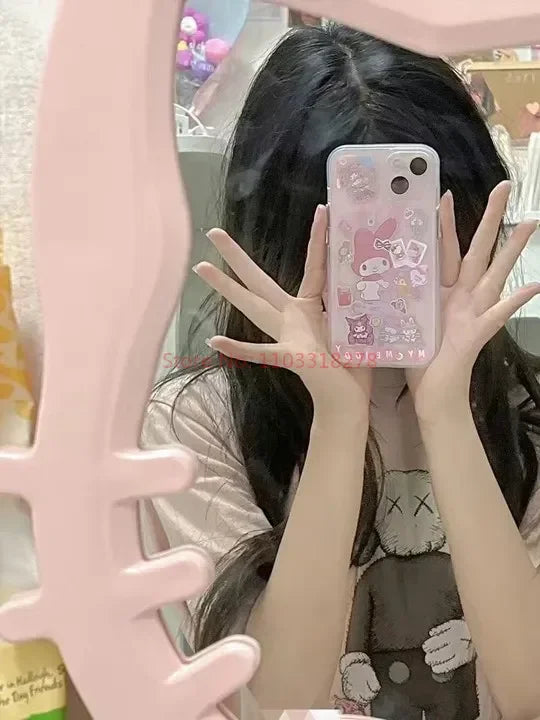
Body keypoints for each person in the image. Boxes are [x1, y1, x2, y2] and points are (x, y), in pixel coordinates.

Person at [142, 24, 540, 720]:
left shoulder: (524, 411)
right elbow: (275, 701)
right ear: (282, 233)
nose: (386, 262)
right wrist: (338, 420)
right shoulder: (198, 422)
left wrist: (445, 412)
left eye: (413, 227)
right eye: (354, 235)